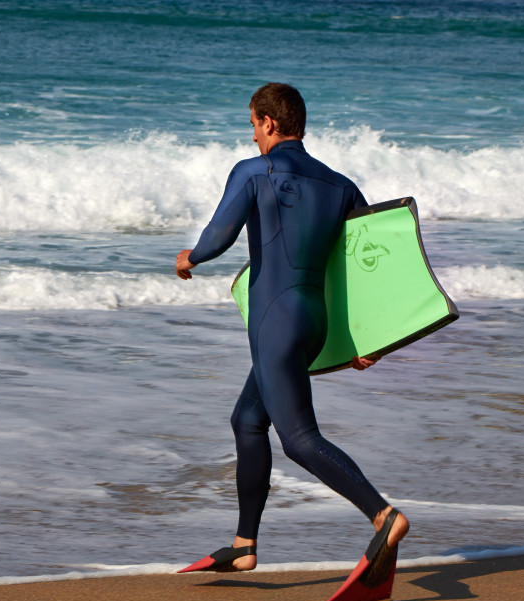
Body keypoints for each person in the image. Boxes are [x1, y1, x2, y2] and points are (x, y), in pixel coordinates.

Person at [175, 83, 409, 573]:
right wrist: (368, 341)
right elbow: (366, 266)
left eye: (253, 126)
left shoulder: (253, 171)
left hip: (275, 321)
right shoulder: (340, 185)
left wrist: (190, 257)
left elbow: (219, 235)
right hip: (314, 322)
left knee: (299, 437)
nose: (254, 137)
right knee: (247, 420)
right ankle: (244, 544)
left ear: (269, 122)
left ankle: (383, 515)